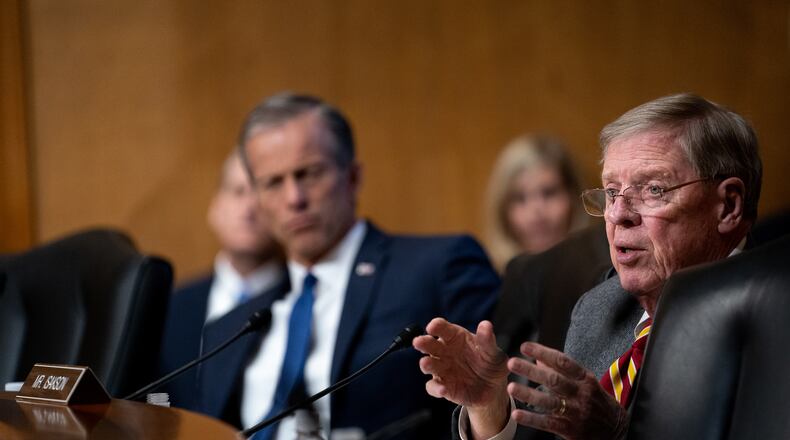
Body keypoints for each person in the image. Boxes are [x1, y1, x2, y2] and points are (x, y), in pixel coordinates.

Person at [413, 93, 761, 440]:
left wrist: (618, 434)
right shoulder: (600, 307)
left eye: (654, 189)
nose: (618, 215)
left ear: (728, 206)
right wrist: (490, 406)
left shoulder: (774, 321)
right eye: (611, 192)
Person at [196, 93, 500, 439]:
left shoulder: (437, 268)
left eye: (308, 174)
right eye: (273, 183)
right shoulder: (228, 331)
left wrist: (487, 412)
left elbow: (505, 401)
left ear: (353, 177)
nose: (294, 198)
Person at [158, 150, 286, 409]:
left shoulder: (308, 304)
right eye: (238, 191)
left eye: (261, 193)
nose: (249, 208)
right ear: (215, 208)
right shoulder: (169, 308)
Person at [484, 135, 587, 272]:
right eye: (519, 198)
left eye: (549, 193)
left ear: (575, 197)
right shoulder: (492, 285)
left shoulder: (606, 277)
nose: (536, 210)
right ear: (502, 210)